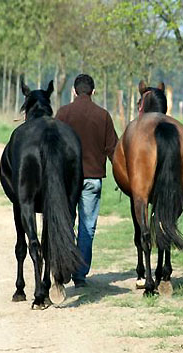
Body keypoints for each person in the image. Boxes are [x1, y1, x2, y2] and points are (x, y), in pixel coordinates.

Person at [55, 74, 118, 288]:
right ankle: (80, 275)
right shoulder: (103, 116)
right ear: (93, 91)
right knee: (87, 227)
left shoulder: (63, 114)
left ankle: (62, 268)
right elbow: (114, 151)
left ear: (74, 91)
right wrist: (121, 177)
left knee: (65, 223)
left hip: (66, 180)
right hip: (92, 179)